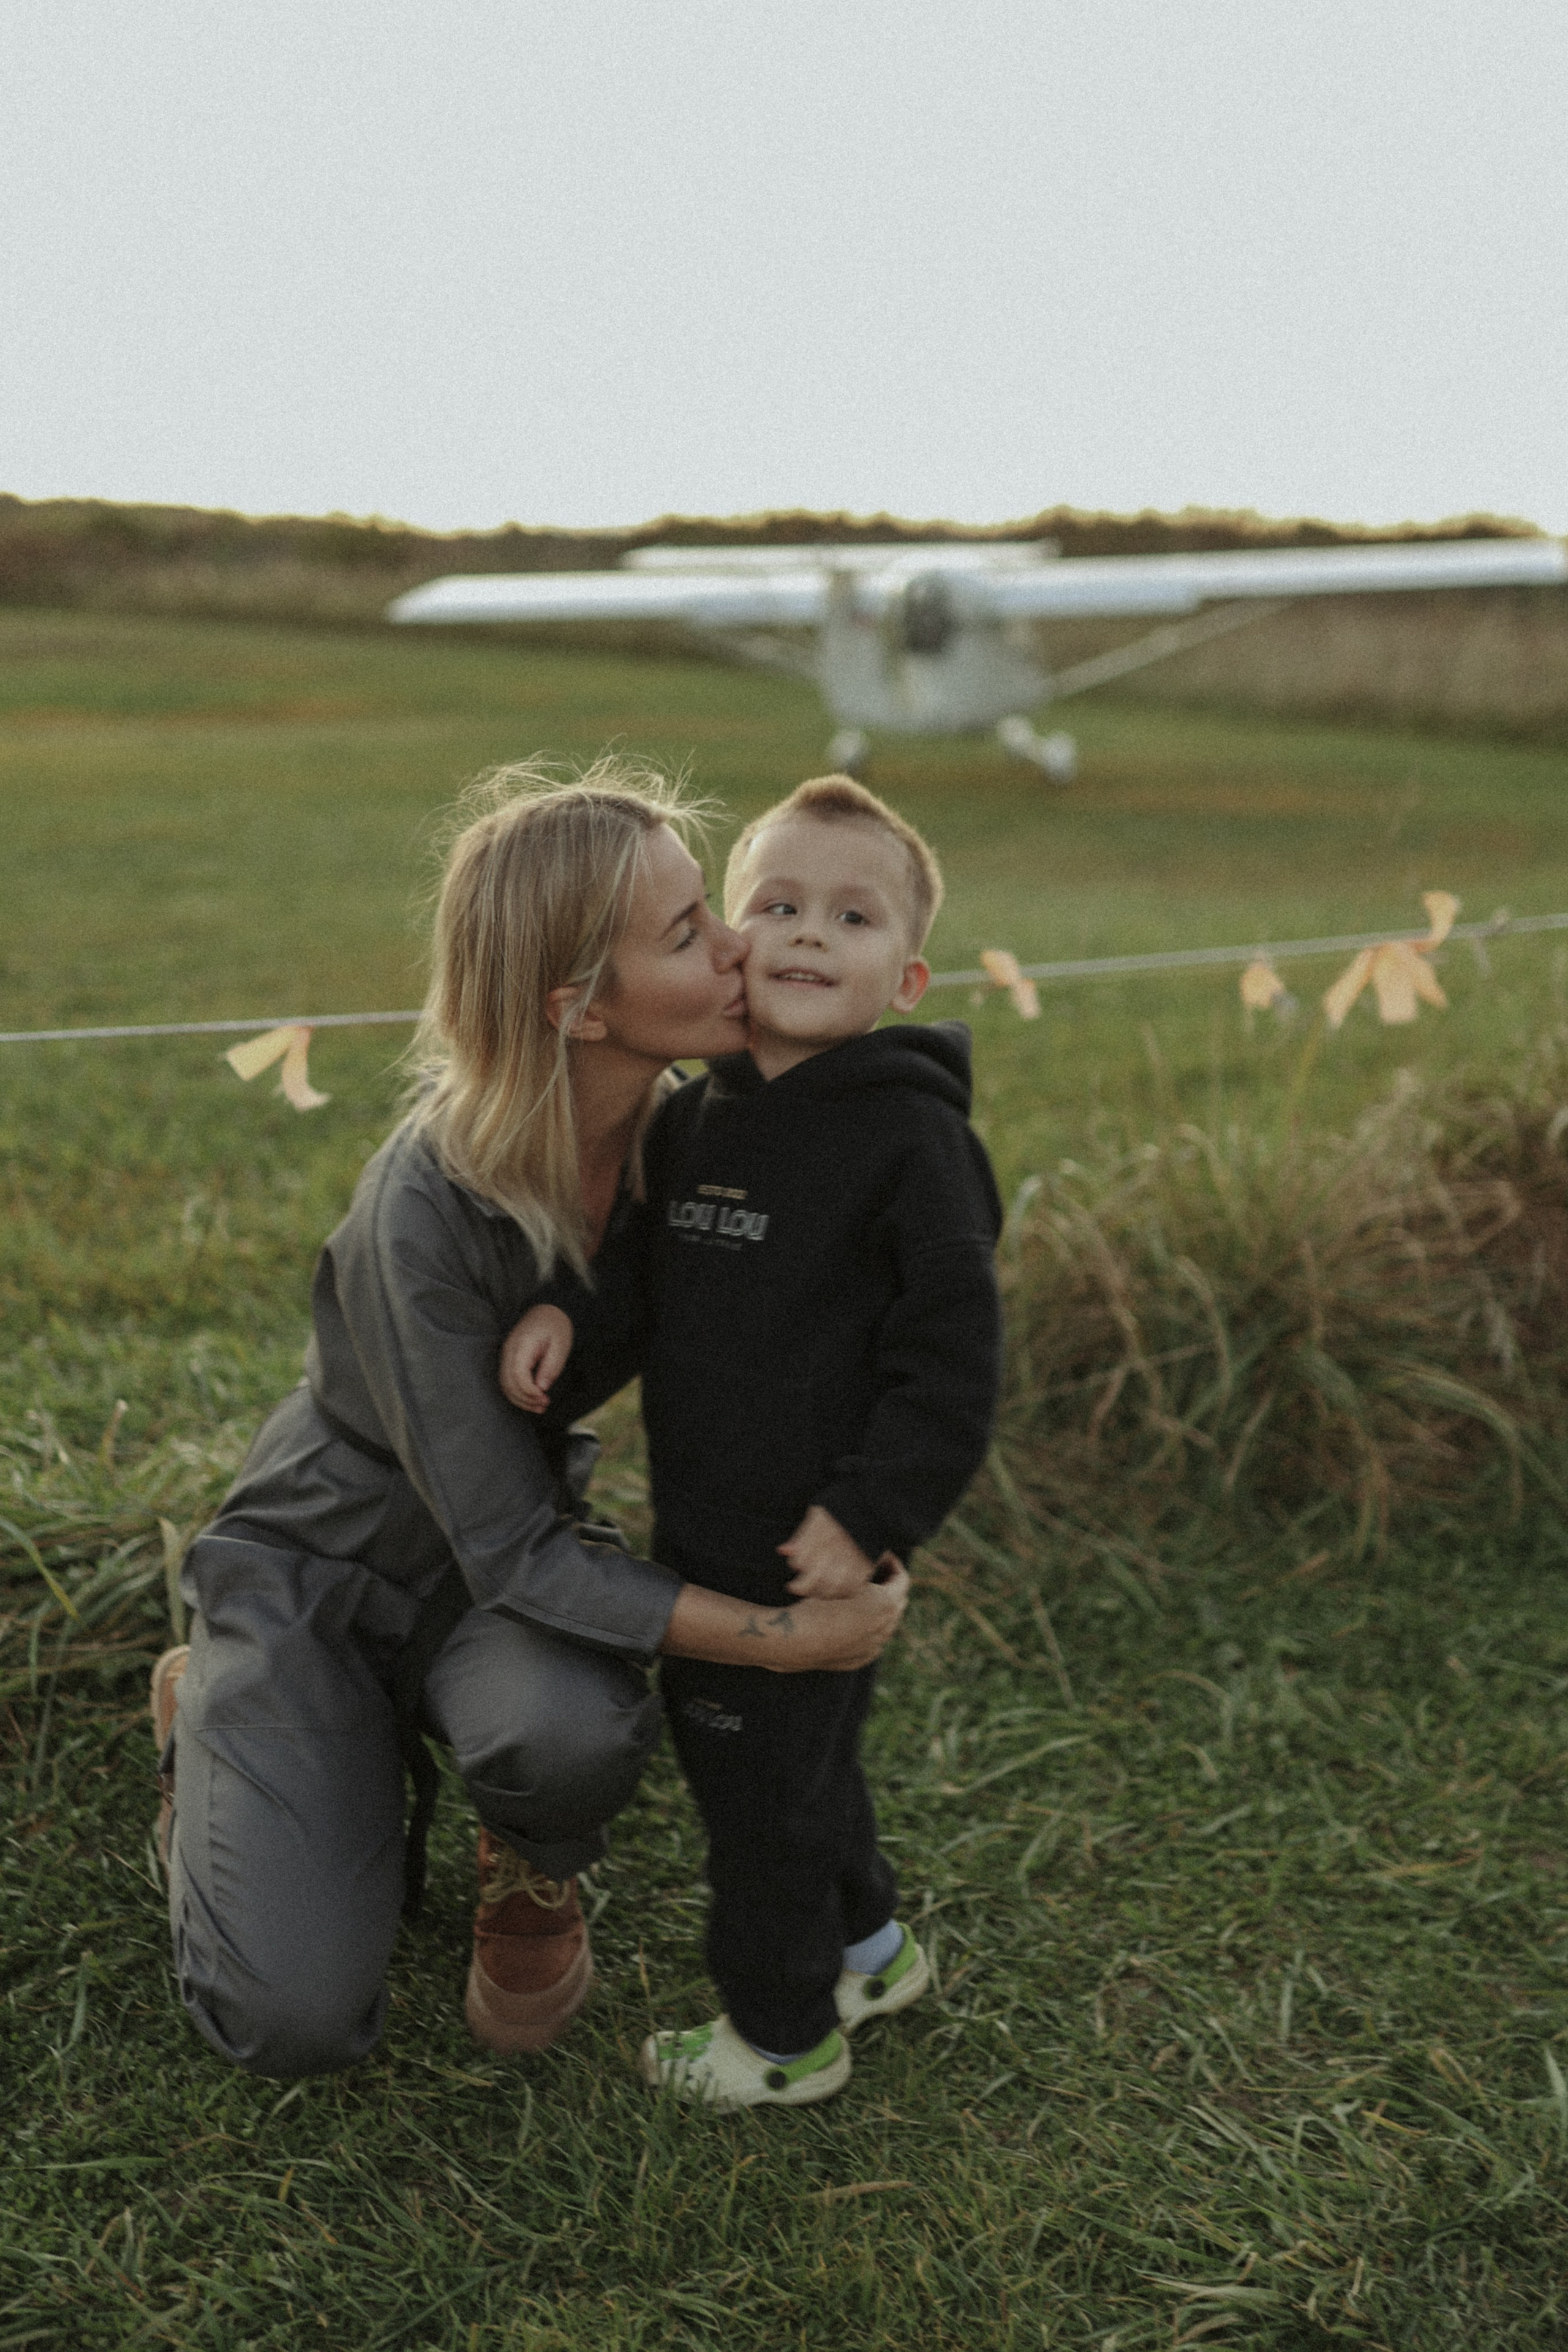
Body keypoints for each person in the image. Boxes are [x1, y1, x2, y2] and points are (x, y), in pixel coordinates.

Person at [149, 758, 910, 2081]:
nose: (743, 944)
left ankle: (530, 1860)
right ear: (578, 1009)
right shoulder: (422, 1209)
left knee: (559, 1736)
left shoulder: (697, 1139)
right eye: (687, 933)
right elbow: (517, 1553)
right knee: (295, 2024)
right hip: (320, 1567)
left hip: (494, 1569)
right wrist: (779, 1642)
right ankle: (213, 1721)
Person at [502, 775, 1002, 2109]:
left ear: (903, 975)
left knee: (758, 1805)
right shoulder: (697, 1115)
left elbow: (950, 1365)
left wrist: (870, 1510)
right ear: (730, 934)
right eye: (775, 904)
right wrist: (571, 1331)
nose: (803, 934)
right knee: (806, 1766)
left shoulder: (913, 1142)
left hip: (816, 1544)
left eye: (847, 916)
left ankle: (781, 2040)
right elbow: (641, 1291)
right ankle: (869, 1952)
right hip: (709, 1521)